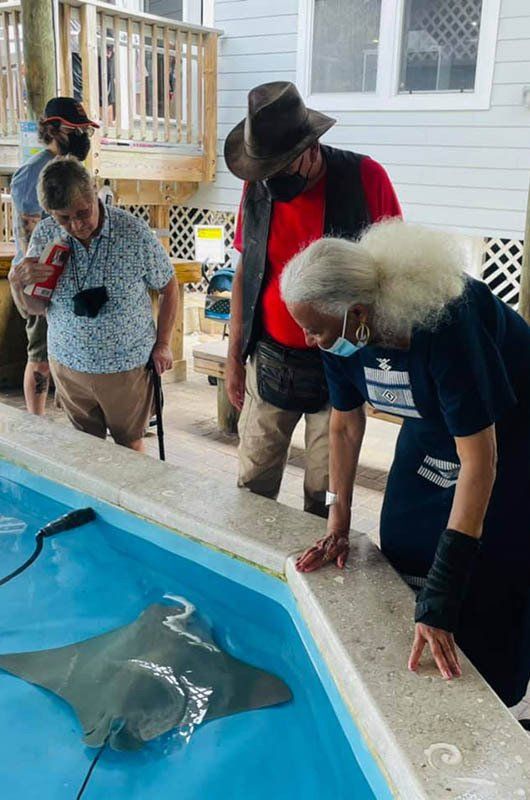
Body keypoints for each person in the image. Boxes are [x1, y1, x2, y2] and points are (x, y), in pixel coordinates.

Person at [280, 219, 530, 713]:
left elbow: (480, 459)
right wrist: (338, 520)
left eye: (315, 330)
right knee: (403, 536)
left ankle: (494, 696)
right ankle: (423, 642)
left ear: (358, 316)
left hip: (511, 430)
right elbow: (345, 427)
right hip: (432, 422)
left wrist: (441, 596)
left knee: (491, 560)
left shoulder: (447, 324)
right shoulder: (340, 338)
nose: (309, 340)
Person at [224, 81, 401, 517]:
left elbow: (391, 276)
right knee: (252, 485)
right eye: (264, 170)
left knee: (323, 494)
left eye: (281, 167)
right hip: (268, 359)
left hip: (340, 362)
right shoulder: (258, 185)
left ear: (311, 147)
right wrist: (234, 356)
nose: (271, 179)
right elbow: (246, 272)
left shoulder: (365, 179)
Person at [8, 157, 177, 452]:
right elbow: (35, 308)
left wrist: (163, 343)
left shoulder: (133, 233)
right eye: (63, 218)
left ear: (95, 192)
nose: (76, 225)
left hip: (126, 366)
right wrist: (16, 284)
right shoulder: (46, 235)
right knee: (87, 449)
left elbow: (168, 286)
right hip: (69, 364)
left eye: (83, 213)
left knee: (129, 447)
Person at [9, 96, 99, 415]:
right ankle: (36, 422)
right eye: (77, 130)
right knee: (41, 358)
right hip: (43, 278)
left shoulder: (76, 171)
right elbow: (30, 239)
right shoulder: (32, 174)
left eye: (85, 130)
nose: (83, 137)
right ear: (56, 130)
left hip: (74, 278)